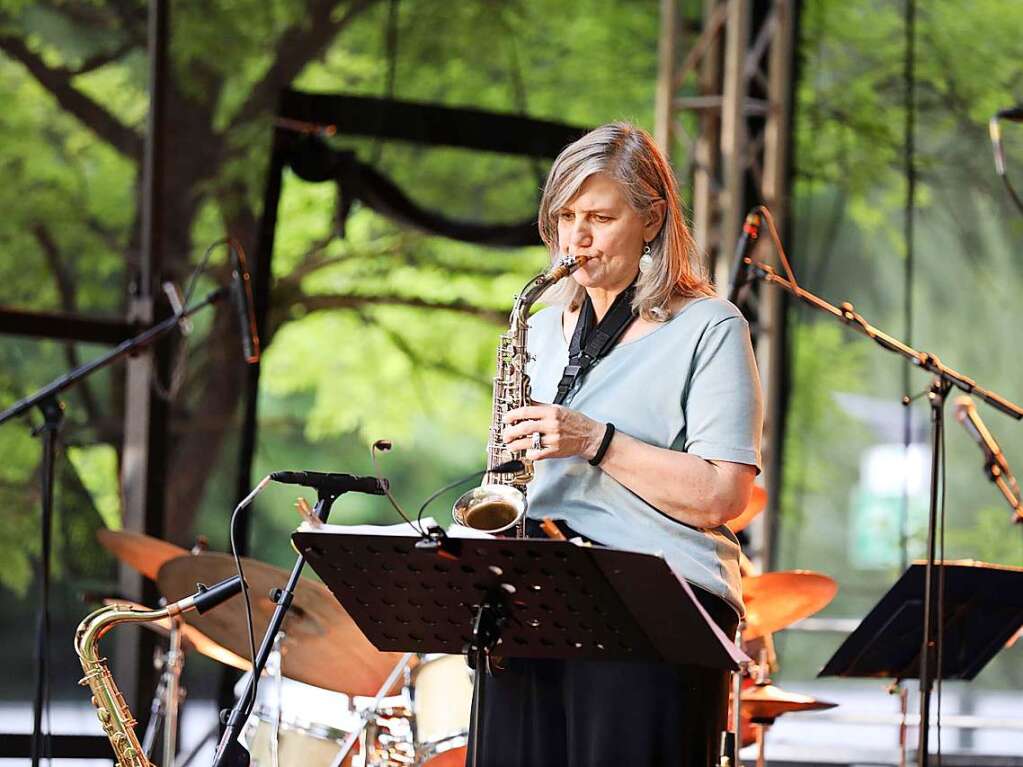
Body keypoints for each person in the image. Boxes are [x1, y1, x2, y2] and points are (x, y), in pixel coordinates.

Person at [473, 122, 763, 767]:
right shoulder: (540, 331)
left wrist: (595, 440)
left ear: (652, 220)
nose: (575, 238)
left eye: (599, 217)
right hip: (529, 602)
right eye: (565, 216)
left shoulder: (709, 327)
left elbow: (723, 494)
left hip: (654, 610)